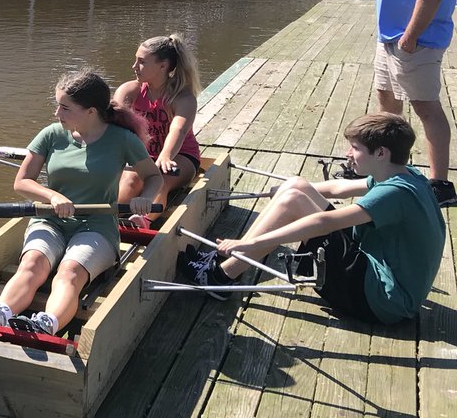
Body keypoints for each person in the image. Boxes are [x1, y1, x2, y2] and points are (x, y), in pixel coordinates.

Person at [183, 114, 443, 324]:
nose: (347, 154)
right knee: (295, 187)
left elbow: (325, 223)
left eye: (355, 148)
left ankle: (222, 276)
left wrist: (251, 244)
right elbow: (336, 189)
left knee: (292, 202)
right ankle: (228, 262)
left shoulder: (394, 193)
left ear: (381, 153)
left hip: (380, 299)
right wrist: (287, 187)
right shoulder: (402, 173)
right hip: (376, 272)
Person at [0, 70, 163, 336]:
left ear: (91, 112)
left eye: (64, 107)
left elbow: (154, 177)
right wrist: (53, 196)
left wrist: (145, 198)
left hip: (97, 226)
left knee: (69, 272)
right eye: (57, 105)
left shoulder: (122, 140)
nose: (56, 113)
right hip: (50, 219)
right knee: (32, 263)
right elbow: (22, 182)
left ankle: (46, 324)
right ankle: (0, 312)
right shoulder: (52, 135)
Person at [376, 0, 456, 206]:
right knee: (386, 100)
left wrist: (409, 38)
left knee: (426, 109)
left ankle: (440, 185)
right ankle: (390, 168)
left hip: (413, 42)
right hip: (392, 38)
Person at [115, 34, 203, 226]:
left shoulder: (183, 98)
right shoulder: (130, 91)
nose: (134, 67)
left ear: (163, 66)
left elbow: (178, 130)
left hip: (179, 156)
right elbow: (113, 126)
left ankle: (142, 221)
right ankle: (110, 216)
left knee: (160, 180)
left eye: (141, 62)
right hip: (143, 155)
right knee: (130, 180)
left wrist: (165, 156)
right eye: (135, 60)